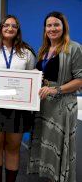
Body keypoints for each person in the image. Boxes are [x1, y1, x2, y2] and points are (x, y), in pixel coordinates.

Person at [0, 15, 36, 182]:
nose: (10, 28)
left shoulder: (26, 53)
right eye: (6, 25)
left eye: (14, 26)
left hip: (17, 108)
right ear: (1, 28)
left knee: (13, 147)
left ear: (18, 30)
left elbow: (31, 78)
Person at [28, 11, 82, 182]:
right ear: (45, 29)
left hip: (62, 106)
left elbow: (80, 80)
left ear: (64, 27)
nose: (52, 28)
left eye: (56, 25)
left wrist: (55, 89)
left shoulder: (74, 48)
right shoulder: (43, 50)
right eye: (49, 25)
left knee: (59, 146)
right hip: (44, 105)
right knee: (47, 147)